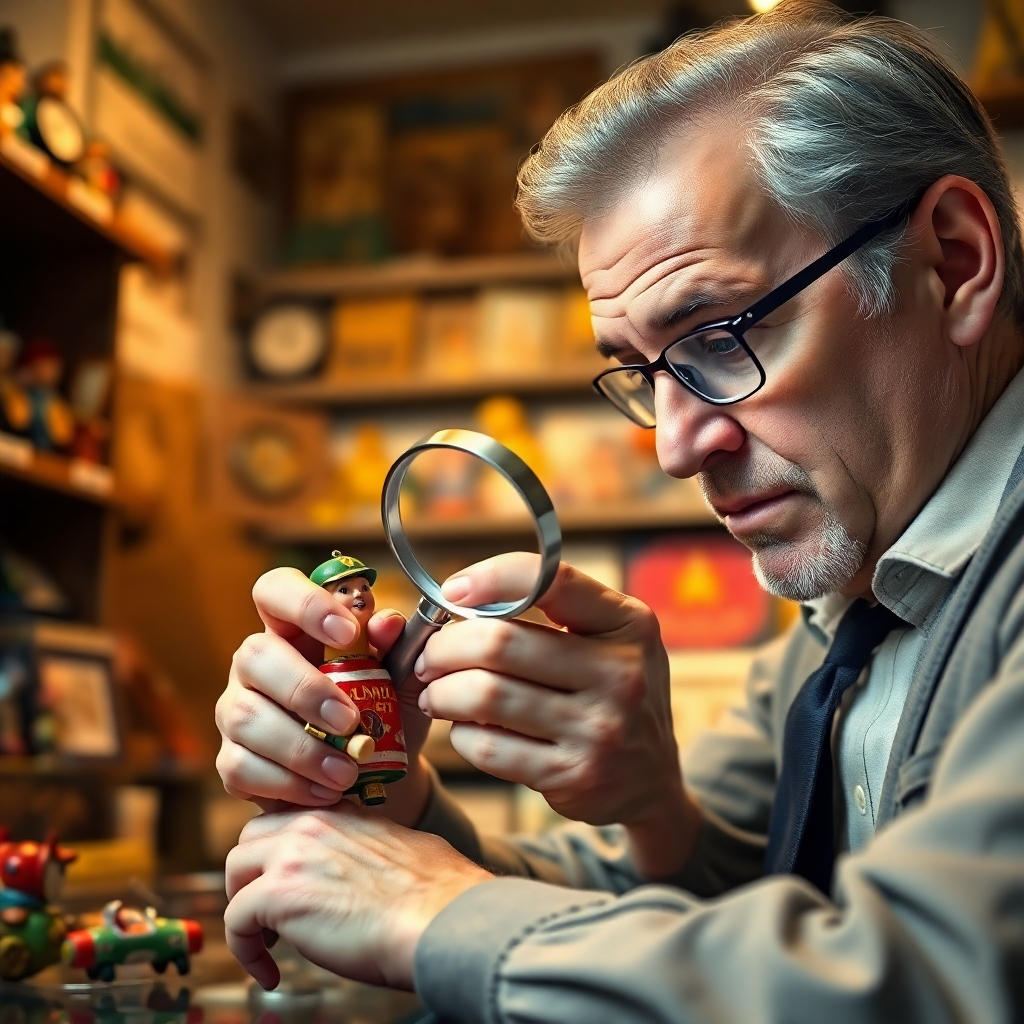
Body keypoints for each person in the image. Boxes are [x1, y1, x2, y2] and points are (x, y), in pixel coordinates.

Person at [215, 2, 1024, 1020]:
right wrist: (390, 804)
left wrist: (430, 913)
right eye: (644, 374)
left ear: (952, 262)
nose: (679, 445)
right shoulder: (850, 615)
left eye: (721, 336)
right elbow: (735, 907)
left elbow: (929, 977)